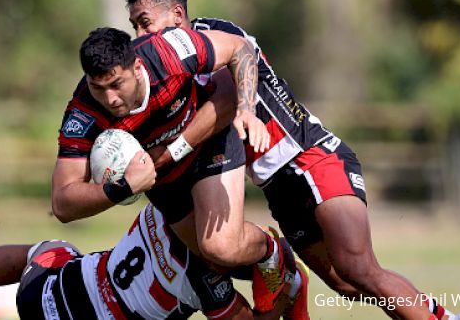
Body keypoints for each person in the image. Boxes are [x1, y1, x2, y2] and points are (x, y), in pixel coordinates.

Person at [123, 0, 460, 320]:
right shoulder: (169, 74)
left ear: (178, 14)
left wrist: (175, 150)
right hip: (278, 187)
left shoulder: (214, 36)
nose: (139, 34)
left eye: (144, 22)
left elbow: (227, 96)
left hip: (311, 157)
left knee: (358, 268)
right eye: (134, 26)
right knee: (346, 284)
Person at [52, 26, 290, 312]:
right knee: (214, 262)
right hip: (164, 181)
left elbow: (240, 48)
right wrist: (123, 187)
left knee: (220, 246)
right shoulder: (84, 113)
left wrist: (247, 109)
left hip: (208, 144)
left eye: (117, 84)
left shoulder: (167, 53)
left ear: (137, 67)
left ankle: (274, 252)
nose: (110, 98)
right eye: (98, 88)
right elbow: (63, 203)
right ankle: (281, 282)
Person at [0, 203, 309, 320]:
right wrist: (280, 299)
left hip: (42, 294)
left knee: (45, 250)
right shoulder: (207, 279)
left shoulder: (165, 209)